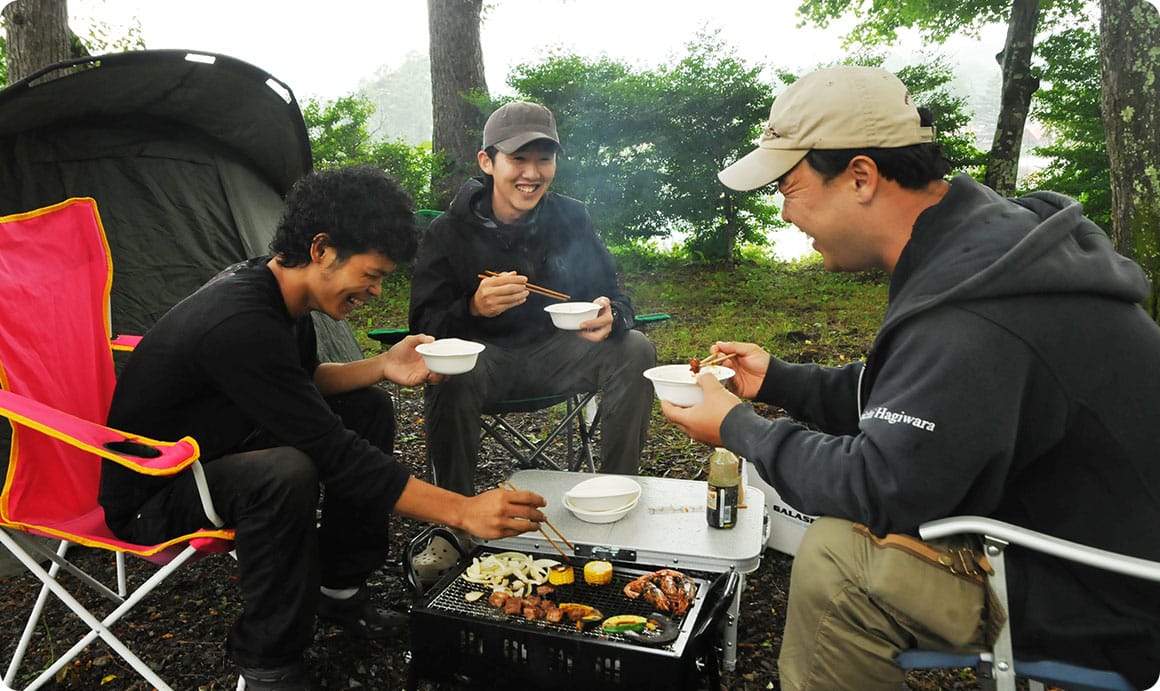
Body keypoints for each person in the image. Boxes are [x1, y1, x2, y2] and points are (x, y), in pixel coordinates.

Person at [662, 65, 1160, 690]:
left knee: (839, 562)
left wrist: (739, 429)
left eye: (788, 188)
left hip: (1110, 597)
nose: (786, 214)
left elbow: (883, 485)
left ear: (861, 176)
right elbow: (923, 397)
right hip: (1086, 537)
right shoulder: (984, 252)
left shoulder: (975, 306)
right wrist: (778, 382)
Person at [98, 165, 547, 691]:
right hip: (155, 490)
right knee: (284, 470)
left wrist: (381, 366)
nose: (377, 292)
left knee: (369, 408)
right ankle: (268, 664)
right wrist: (462, 510)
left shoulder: (281, 293)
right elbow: (333, 453)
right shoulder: (239, 321)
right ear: (321, 249)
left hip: (219, 446)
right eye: (372, 274)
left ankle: (339, 592)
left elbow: (300, 383)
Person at [409, 101, 657, 498]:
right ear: (487, 162)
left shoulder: (571, 218)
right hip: (484, 364)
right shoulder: (449, 231)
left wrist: (614, 316)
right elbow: (422, 327)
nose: (532, 173)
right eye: (518, 158)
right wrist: (472, 308)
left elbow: (612, 294)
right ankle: (454, 518)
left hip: (558, 357)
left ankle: (617, 492)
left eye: (544, 159)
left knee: (634, 348)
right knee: (451, 371)